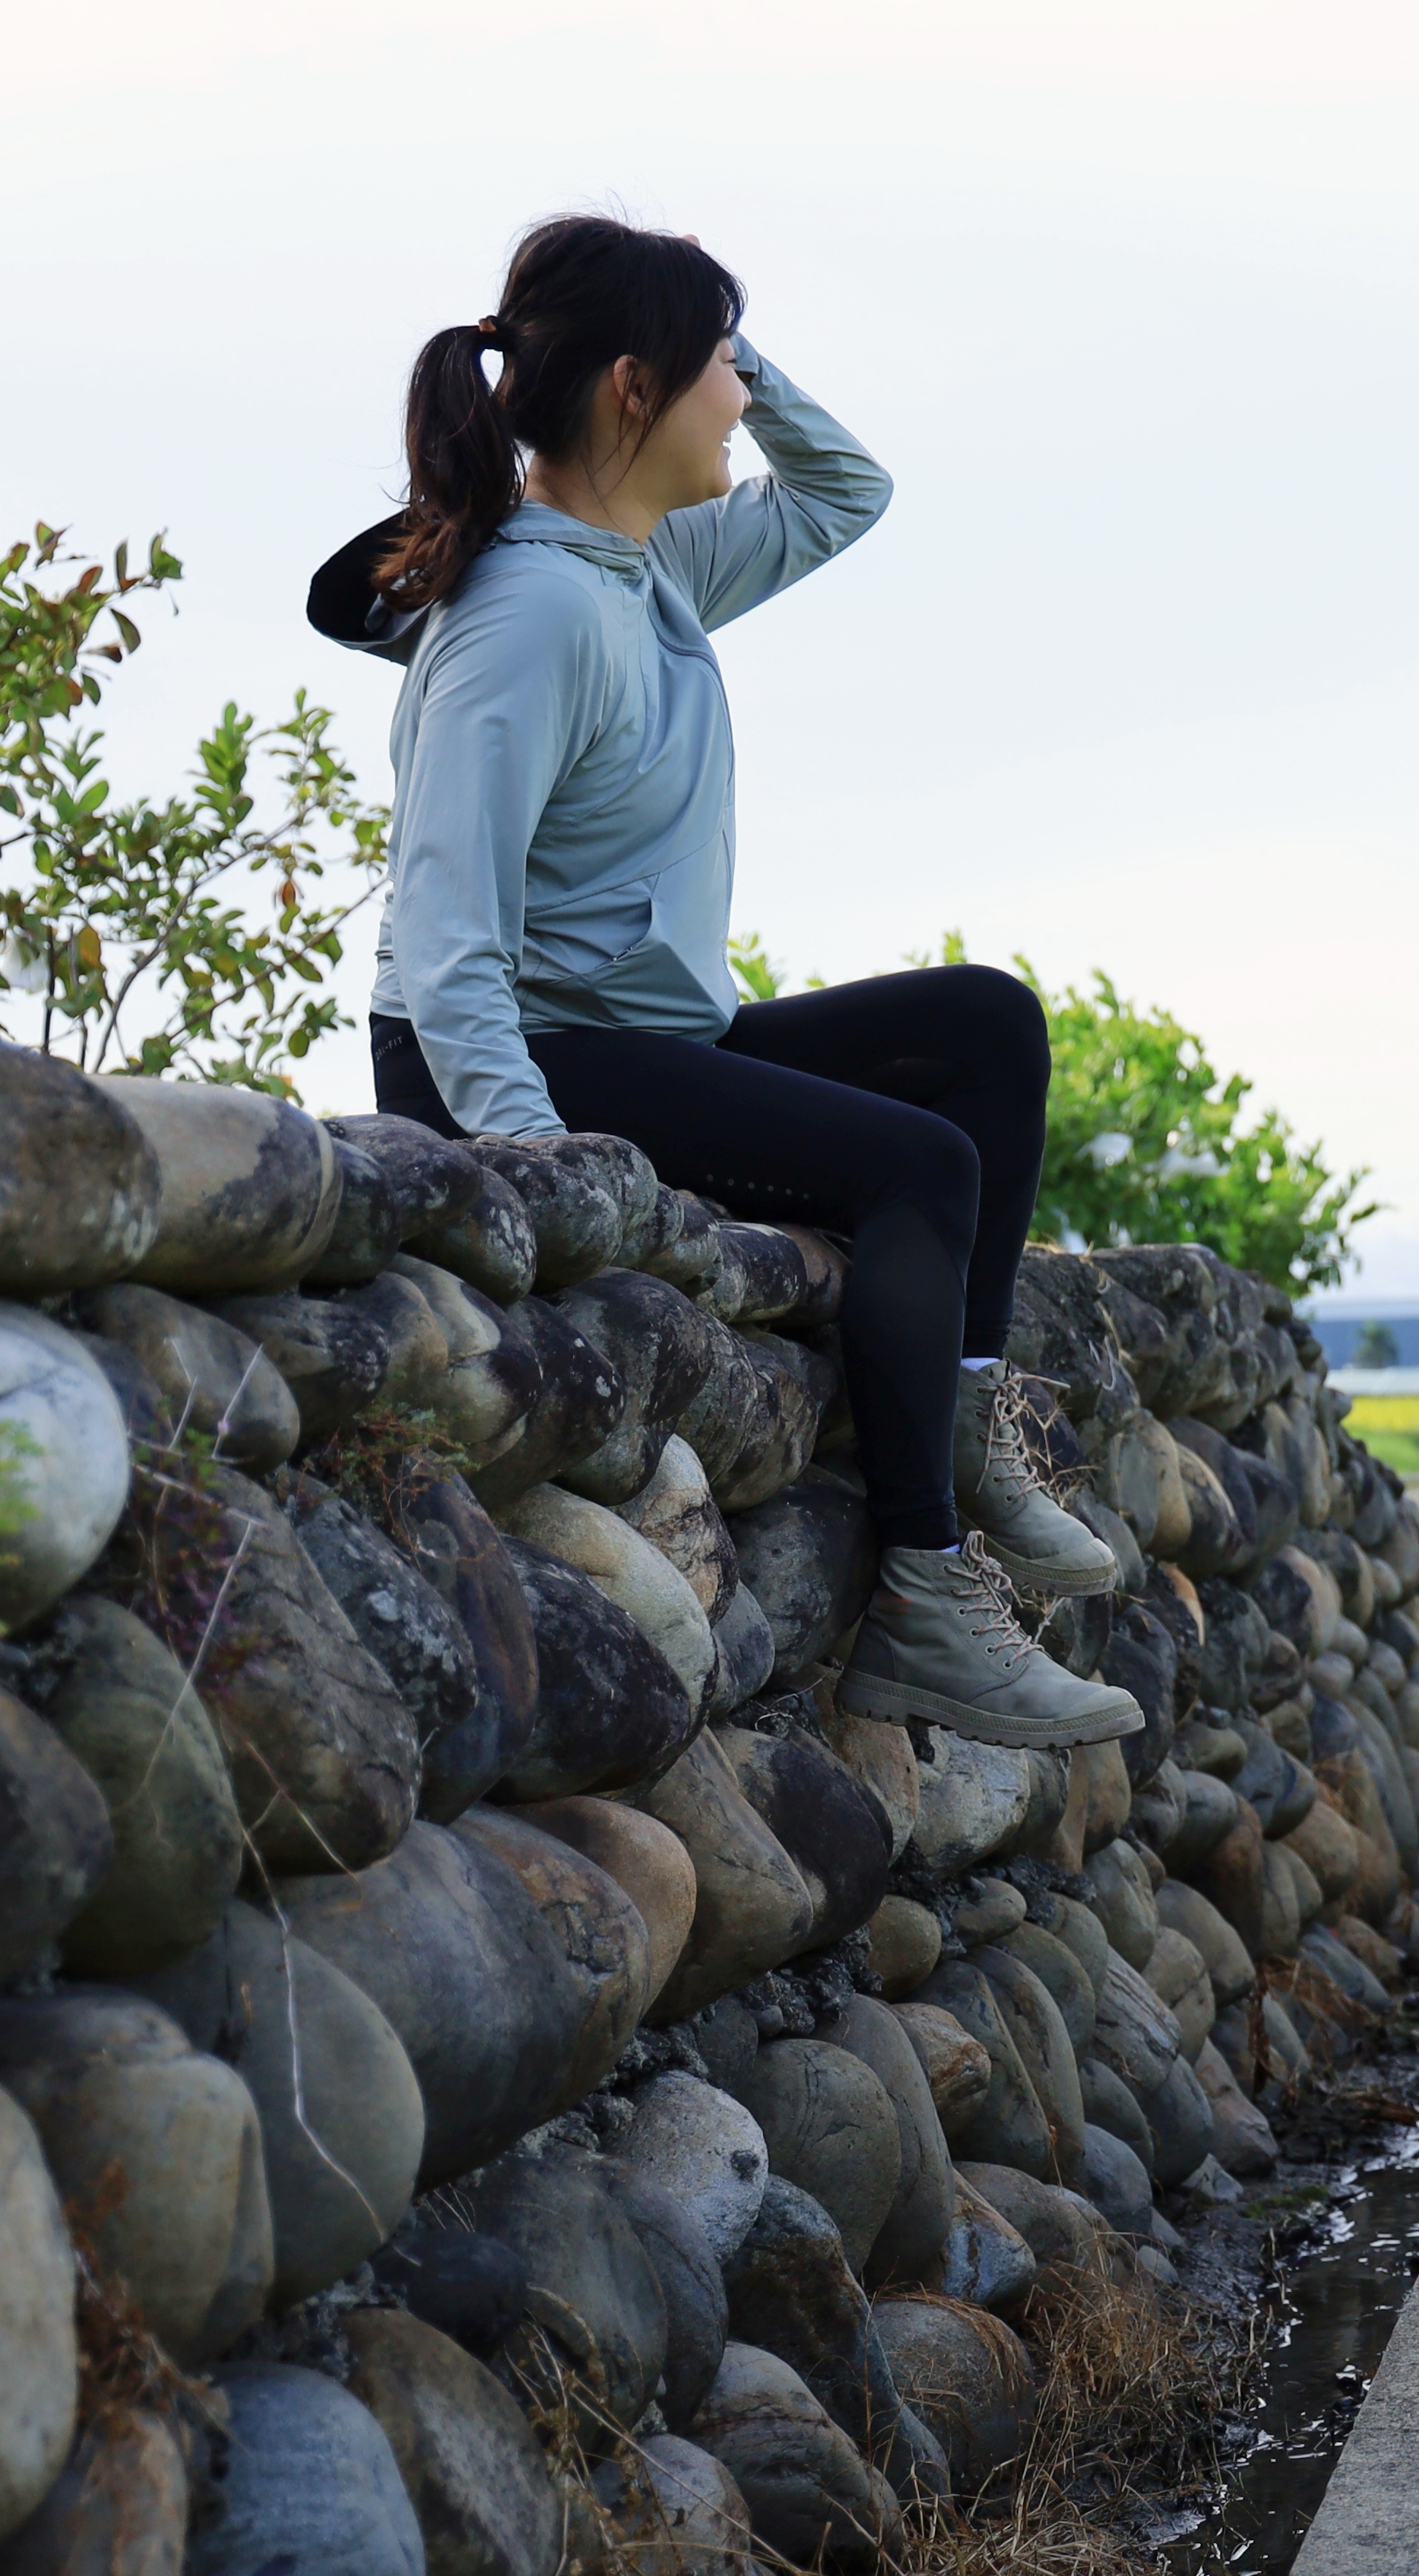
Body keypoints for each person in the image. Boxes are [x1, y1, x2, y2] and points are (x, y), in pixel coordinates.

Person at [313, 212, 1131, 1751]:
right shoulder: (528, 617)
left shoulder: (650, 564)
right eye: (714, 376)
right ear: (635, 389)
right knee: (919, 1162)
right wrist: (538, 1162)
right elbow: (444, 928)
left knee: (984, 1029)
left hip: (639, 1025)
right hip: (510, 1054)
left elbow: (849, 493)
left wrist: (715, 332)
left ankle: (957, 1423)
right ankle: (931, 1604)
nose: (739, 405)